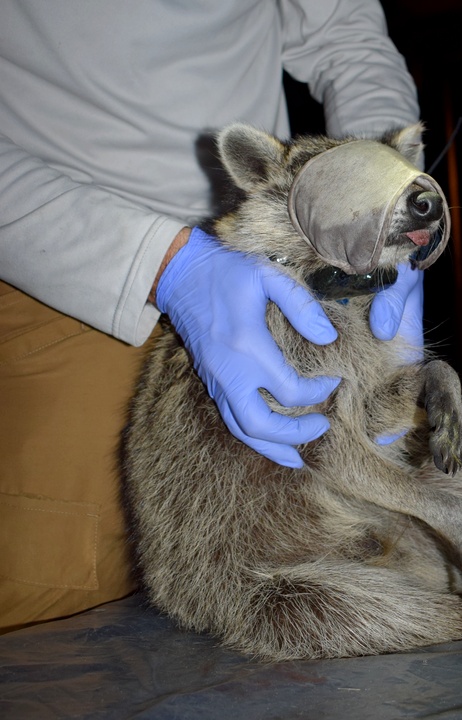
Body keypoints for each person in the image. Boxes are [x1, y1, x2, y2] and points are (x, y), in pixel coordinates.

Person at [0, 0, 425, 633]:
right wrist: (162, 263)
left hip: (286, 251)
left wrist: (381, 200)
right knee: (61, 593)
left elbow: (344, 36)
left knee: (371, 552)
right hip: (67, 258)